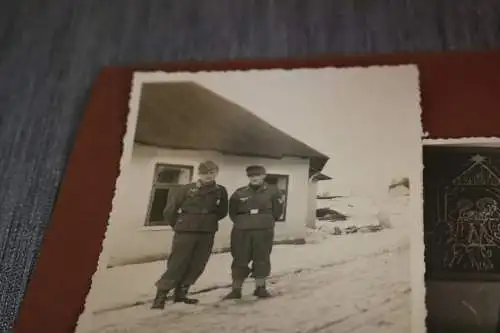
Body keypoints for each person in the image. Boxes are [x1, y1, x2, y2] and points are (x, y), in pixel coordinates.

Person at [151, 160, 228, 309]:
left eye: (211, 173)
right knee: (177, 263)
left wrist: (207, 220)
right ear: (199, 174)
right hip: (186, 231)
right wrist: (180, 225)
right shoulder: (186, 189)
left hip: (207, 231)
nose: (208, 176)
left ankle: (181, 293)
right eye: (205, 173)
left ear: (216, 173)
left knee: (198, 263)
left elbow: (222, 211)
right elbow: (169, 211)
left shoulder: (220, 191)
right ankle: (160, 296)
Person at [223, 165, 284, 299]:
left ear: (264, 176)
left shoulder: (273, 191)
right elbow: (233, 212)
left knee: (262, 258)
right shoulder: (240, 192)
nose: (254, 178)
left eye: (257, 175)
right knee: (239, 258)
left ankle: (260, 288)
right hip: (242, 231)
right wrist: (242, 222)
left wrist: (264, 221)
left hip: (263, 230)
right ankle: (236, 290)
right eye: (251, 176)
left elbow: (277, 212)